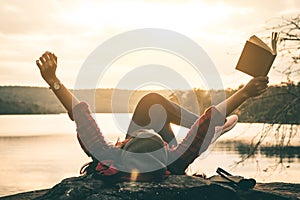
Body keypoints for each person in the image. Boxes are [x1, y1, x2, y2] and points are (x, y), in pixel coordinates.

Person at [36, 51, 269, 181]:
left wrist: (54, 81)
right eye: (153, 136)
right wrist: (245, 93)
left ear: (125, 146)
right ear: (165, 149)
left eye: (137, 135)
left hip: (143, 158)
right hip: (173, 150)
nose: (147, 129)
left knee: (152, 103)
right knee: (160, 107)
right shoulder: (175, 159)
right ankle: (213, 130)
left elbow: (82, 115)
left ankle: (203, 126)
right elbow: (206, 122)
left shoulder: (108, 155)